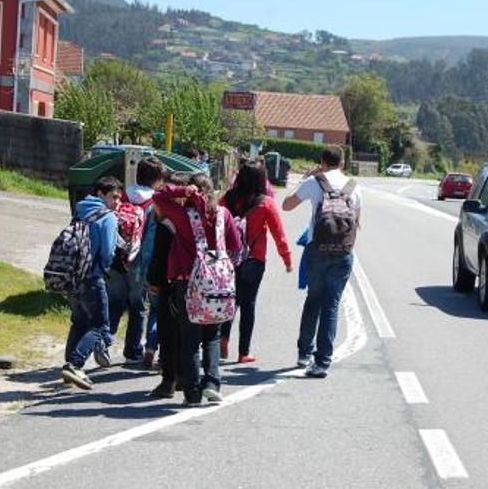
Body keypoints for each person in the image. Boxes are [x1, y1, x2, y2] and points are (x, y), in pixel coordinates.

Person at [153, 173, 241, 406]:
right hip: (218, 286)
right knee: (212, 336)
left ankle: (192, 393)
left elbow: (158, 195)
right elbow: (236, 246)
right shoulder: (223, 214)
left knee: (190, 340)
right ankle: (212, 383)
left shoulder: (184, 215)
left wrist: (181, 191)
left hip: (188, 283)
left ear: (192, 191)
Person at [282, 146, 361, 379]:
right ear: (343, 163)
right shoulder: (353, 187)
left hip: (317, 250)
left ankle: (304, 354)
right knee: (331, 306)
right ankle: (322, 363)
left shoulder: (315, 182)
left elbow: (286, 205)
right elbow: (358, 222)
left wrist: (306, 178)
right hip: (343, 253)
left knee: (313, 300)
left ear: (322, 162)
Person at [219, 161, 293, 363]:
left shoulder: (227, 199)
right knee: (248, 304)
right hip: (254, 259)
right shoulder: (266, 203)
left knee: (229, 300)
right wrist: (287, 259)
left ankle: (223, 338)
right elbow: (279, 234)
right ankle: (243, 352)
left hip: (229, 258)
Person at [61, 176, 123, 390]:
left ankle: (69, 367)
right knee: (100, 326)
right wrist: (104, 269)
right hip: (93, 276)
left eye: (118, 198)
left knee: (79, 322)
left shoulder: (81, 210)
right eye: (113, 196)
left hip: (73, 276)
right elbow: (107, 251)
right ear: (100, 194)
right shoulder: (107, 217)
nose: (116, 202)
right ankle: (76, 364)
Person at [105, 157, 164, 366]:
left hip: (116, 258)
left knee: (114, 303)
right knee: (137, 306)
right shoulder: (154, 202)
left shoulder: (123, 196)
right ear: (157, 179)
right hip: (138, 263)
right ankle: (133, 350)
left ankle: (104, 342)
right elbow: (148, 240)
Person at [147, 172, 190, 398]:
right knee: (186, 334)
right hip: (191, 284)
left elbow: (158, 257)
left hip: (168, 283)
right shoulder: (194, 219)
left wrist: (153, 282)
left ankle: (169, 380)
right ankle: (184, 376)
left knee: (168, 333)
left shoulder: (166, 225)